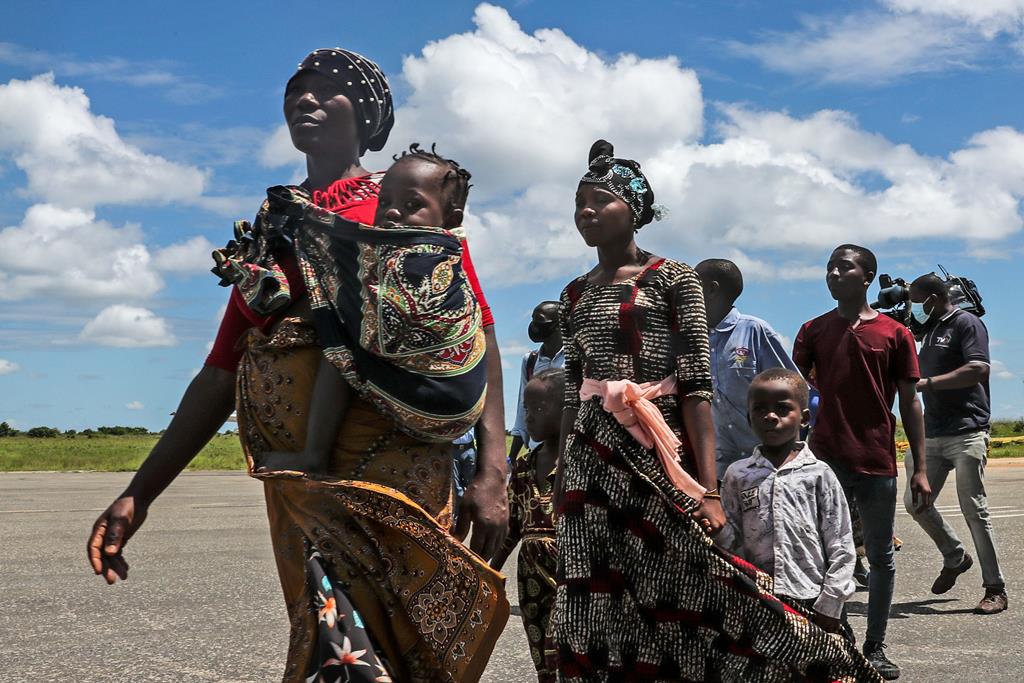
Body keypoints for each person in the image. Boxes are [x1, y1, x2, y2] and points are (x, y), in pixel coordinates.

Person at [86, 48, 509, 683]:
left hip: (390, 473)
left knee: (398, 644)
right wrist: (137, 494)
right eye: (294, 89)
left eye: (328, 88)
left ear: (368, 118)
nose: (305, 98)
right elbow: (222, 369)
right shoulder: (275, 223)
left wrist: (493, 471)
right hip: (298, 486)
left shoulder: (398, 206)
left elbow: (478, 334)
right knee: (330, 644)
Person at [553, 140, 879, 681]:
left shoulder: (674, 279)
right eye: (579, 203)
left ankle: (818, 658)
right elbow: (571, 392)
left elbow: (697, 388)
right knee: (596, 587)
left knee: (692, 575)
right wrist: (563, 477)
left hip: (659, 452)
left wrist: (707, 489)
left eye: (598, 200)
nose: (585, 212)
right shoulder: (572, 294)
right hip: (591, 457)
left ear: (633, 211)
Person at [255, 145, 485, 475]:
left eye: (412, 205)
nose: (391, 212)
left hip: (435, 399)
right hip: (461, 405)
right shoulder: (452, 258)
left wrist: (305, 216)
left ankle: (313, 456)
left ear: (451, 220)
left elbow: (340, 250)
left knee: (339, 337)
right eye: (385, 202)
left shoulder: (419, 259)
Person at [793, 243, 933, 680]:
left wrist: (921, 468)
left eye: (844, 267)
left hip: (876, 460)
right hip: (825, 459)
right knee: (824, 557)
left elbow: (910, 402)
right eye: (830, 267)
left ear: (868, 276)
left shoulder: (894, 333)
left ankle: (876, 645)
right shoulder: (813, 331)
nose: (834, 273)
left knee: (880, 556)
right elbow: (794, 394)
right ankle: (840, 638)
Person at [719, 368, 856, 643]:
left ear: (804, 418)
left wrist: (831, 602)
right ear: (749, 418)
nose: (770, 416)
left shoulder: (819, 474)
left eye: (782, 409)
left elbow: (840, 541)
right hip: (758, 598)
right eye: (760, 410)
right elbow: (729, 539)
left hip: (812, 597)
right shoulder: (738, 475)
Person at [906, 273, 1007, 614]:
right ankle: (954, 555)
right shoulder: (928, 329)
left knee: (974, 511)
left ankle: (995, 588)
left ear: (933, 298)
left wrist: (927, 384)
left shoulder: (967, 323)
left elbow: (978, 369)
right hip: (932, 433)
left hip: (967, 430)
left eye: (917, 301)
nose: (914, 308)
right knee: (915, 503)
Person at [695, 258, 802, 481]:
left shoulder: (753, 330)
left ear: (711, 289)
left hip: (765, 463)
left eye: (693, 286)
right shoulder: (693, 338)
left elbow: (793, 388)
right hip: (717, 467)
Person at [490, 368, 563, 683]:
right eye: (526, 409)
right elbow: (512, 527)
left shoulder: (578, 463)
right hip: (531, 578)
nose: (528, 418)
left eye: (538, 409)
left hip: (567, 573)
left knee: (560, 647)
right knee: (540, 652)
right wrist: (491, 571)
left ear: (567, 410)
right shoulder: (523, 467)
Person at [508, 301, 565, 462]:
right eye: (532, 320)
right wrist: (511, 458)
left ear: (559, 324)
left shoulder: (576, 359)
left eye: (539, 321)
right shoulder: (530, 361)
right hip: (537, 452)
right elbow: (522, 408)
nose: (534, 326)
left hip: (568, 452)